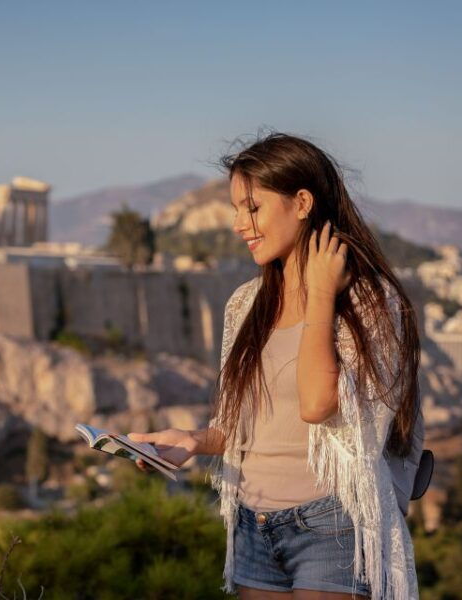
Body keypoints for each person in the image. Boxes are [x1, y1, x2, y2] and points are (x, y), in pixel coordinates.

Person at [129, 132, 423, 600]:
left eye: (252, 207)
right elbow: (238, 424)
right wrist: (192, 441)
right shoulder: (245, 304)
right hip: (253, 522)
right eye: (235, 209)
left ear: (302, 202)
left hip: (332, 526)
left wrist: (322, 294)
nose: (238, 224)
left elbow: (316, 404)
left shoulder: (369, 301)